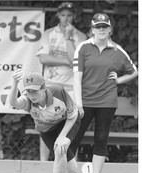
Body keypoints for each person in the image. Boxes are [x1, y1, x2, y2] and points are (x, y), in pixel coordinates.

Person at [72, 13, 138, 173]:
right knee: (71, 140)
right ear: (92, 29)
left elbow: (134, 71)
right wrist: (79, 104)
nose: (101, 30)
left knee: (101, 140)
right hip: (84, 101)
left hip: (107, 102)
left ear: (110, 30)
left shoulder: (118, 51)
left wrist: (119, 80)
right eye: (97, 27)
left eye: (104, 27)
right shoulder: (83, 48)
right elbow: (76, 78)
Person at [8, 70, 81, 173]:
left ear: (43, 88)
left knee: (60, 149)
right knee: (72, 170)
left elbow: (73, 115)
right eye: (28, 91)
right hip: (47, 130)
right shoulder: (27, 101)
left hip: (68, 121)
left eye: (35, 91)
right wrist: (15, 83)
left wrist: (63, 136)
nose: (32, 95)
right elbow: (14, 102)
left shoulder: (58, 92)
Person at [36, 2, 87, 163]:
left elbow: (75, 61)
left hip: (71, 88)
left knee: (71, 126)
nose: (66, 18)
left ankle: (70, 164)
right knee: (46, 124)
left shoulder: (81, 36)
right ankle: (43, 163)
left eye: (69, 15)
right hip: (49, 85)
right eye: (63, 15)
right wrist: (67, 60)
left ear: (74, 17)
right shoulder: (48, 33)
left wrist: (68, 38)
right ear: (57, 15)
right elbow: (43, 58)